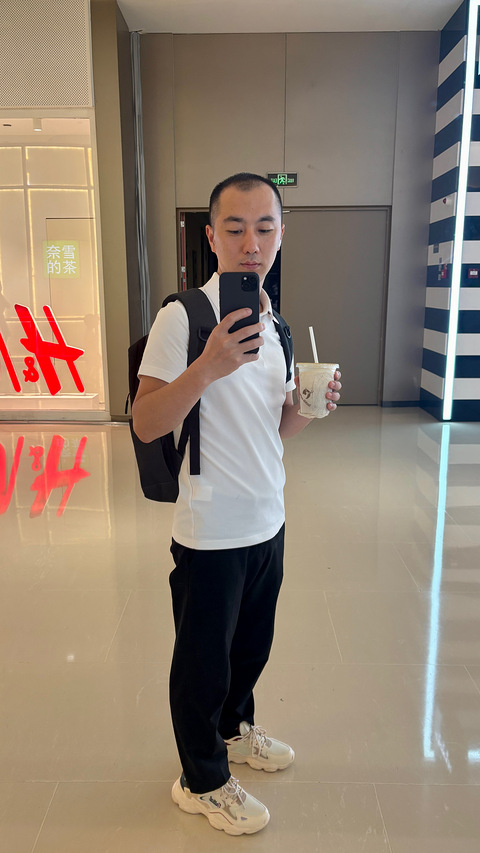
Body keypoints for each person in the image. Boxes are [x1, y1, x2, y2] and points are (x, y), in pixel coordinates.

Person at [132, 173, 342, 836]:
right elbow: (145, 420)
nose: (252, 243)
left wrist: (309, 407)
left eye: (265, 228)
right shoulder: (184, 316)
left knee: (251, 648)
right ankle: (200, 780)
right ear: (211, 236)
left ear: (281, 235)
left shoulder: (275, 323)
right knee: (203, 663)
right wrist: (208, 366)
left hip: (267, 519)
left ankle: (233, 730)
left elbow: (273, 429)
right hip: (210, 528)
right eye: (236, 227)